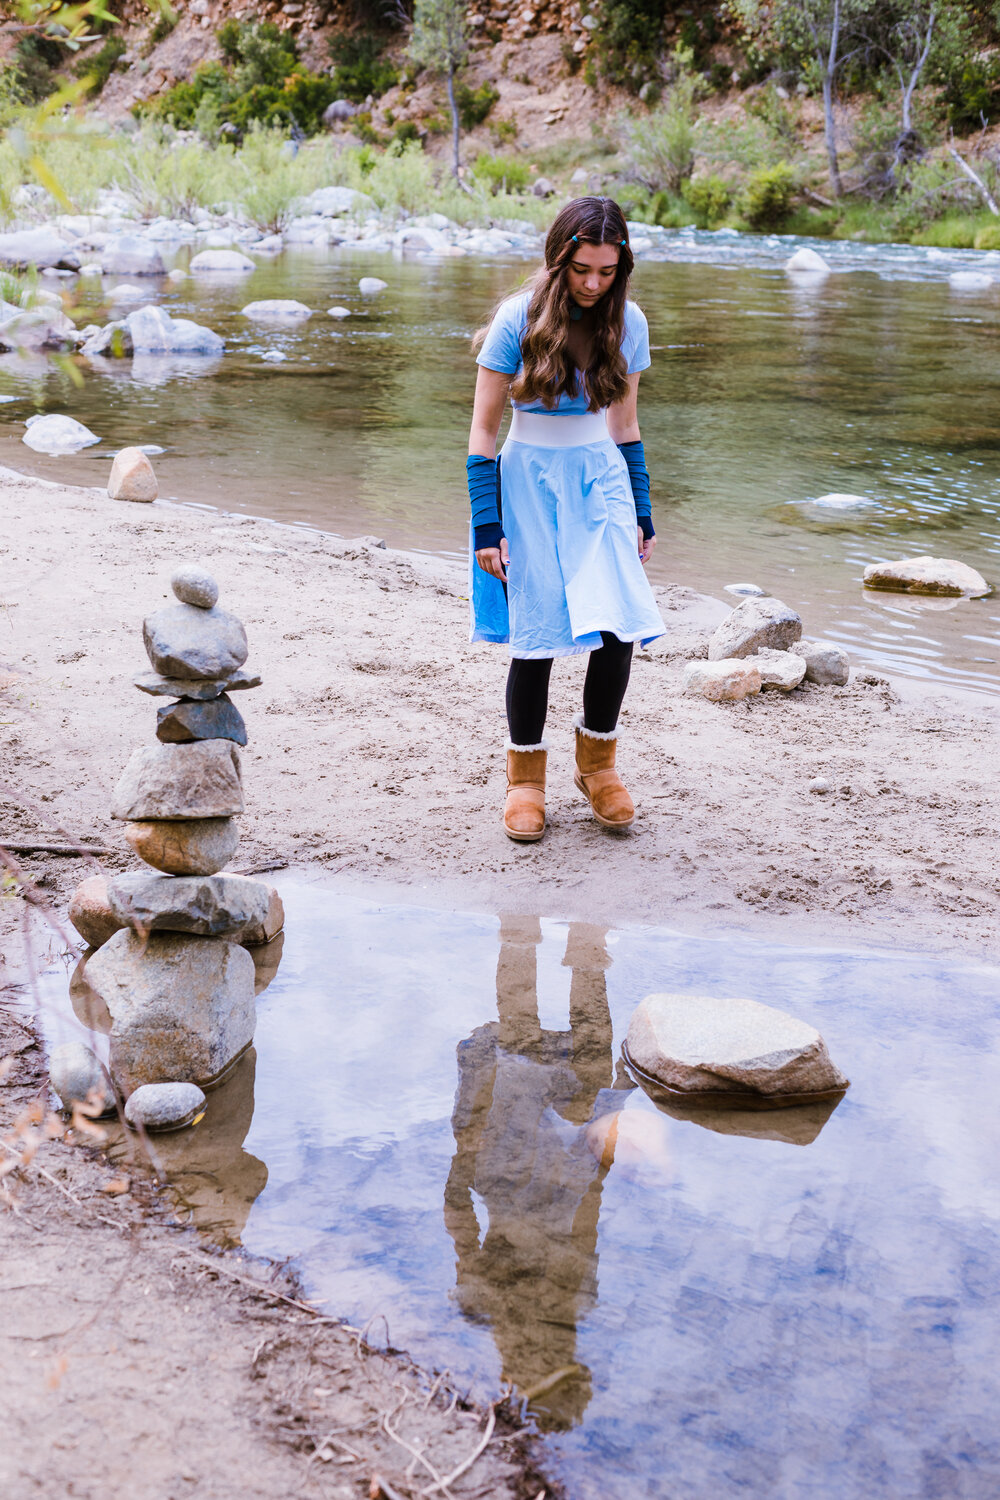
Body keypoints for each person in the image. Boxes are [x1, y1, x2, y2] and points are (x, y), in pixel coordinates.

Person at [466, 196, 665, 844]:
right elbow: (482, 433)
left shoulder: (628, 321)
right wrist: (484, 527)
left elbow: (627, 425)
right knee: (538, 631)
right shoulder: (514, 320)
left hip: (599, 478)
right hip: (527, 481)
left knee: (616, 625)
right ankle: (524, 780)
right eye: (582, 269)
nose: (593, 283)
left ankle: (597, 765)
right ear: (559, 260)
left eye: (607, 271)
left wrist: (643, 510)